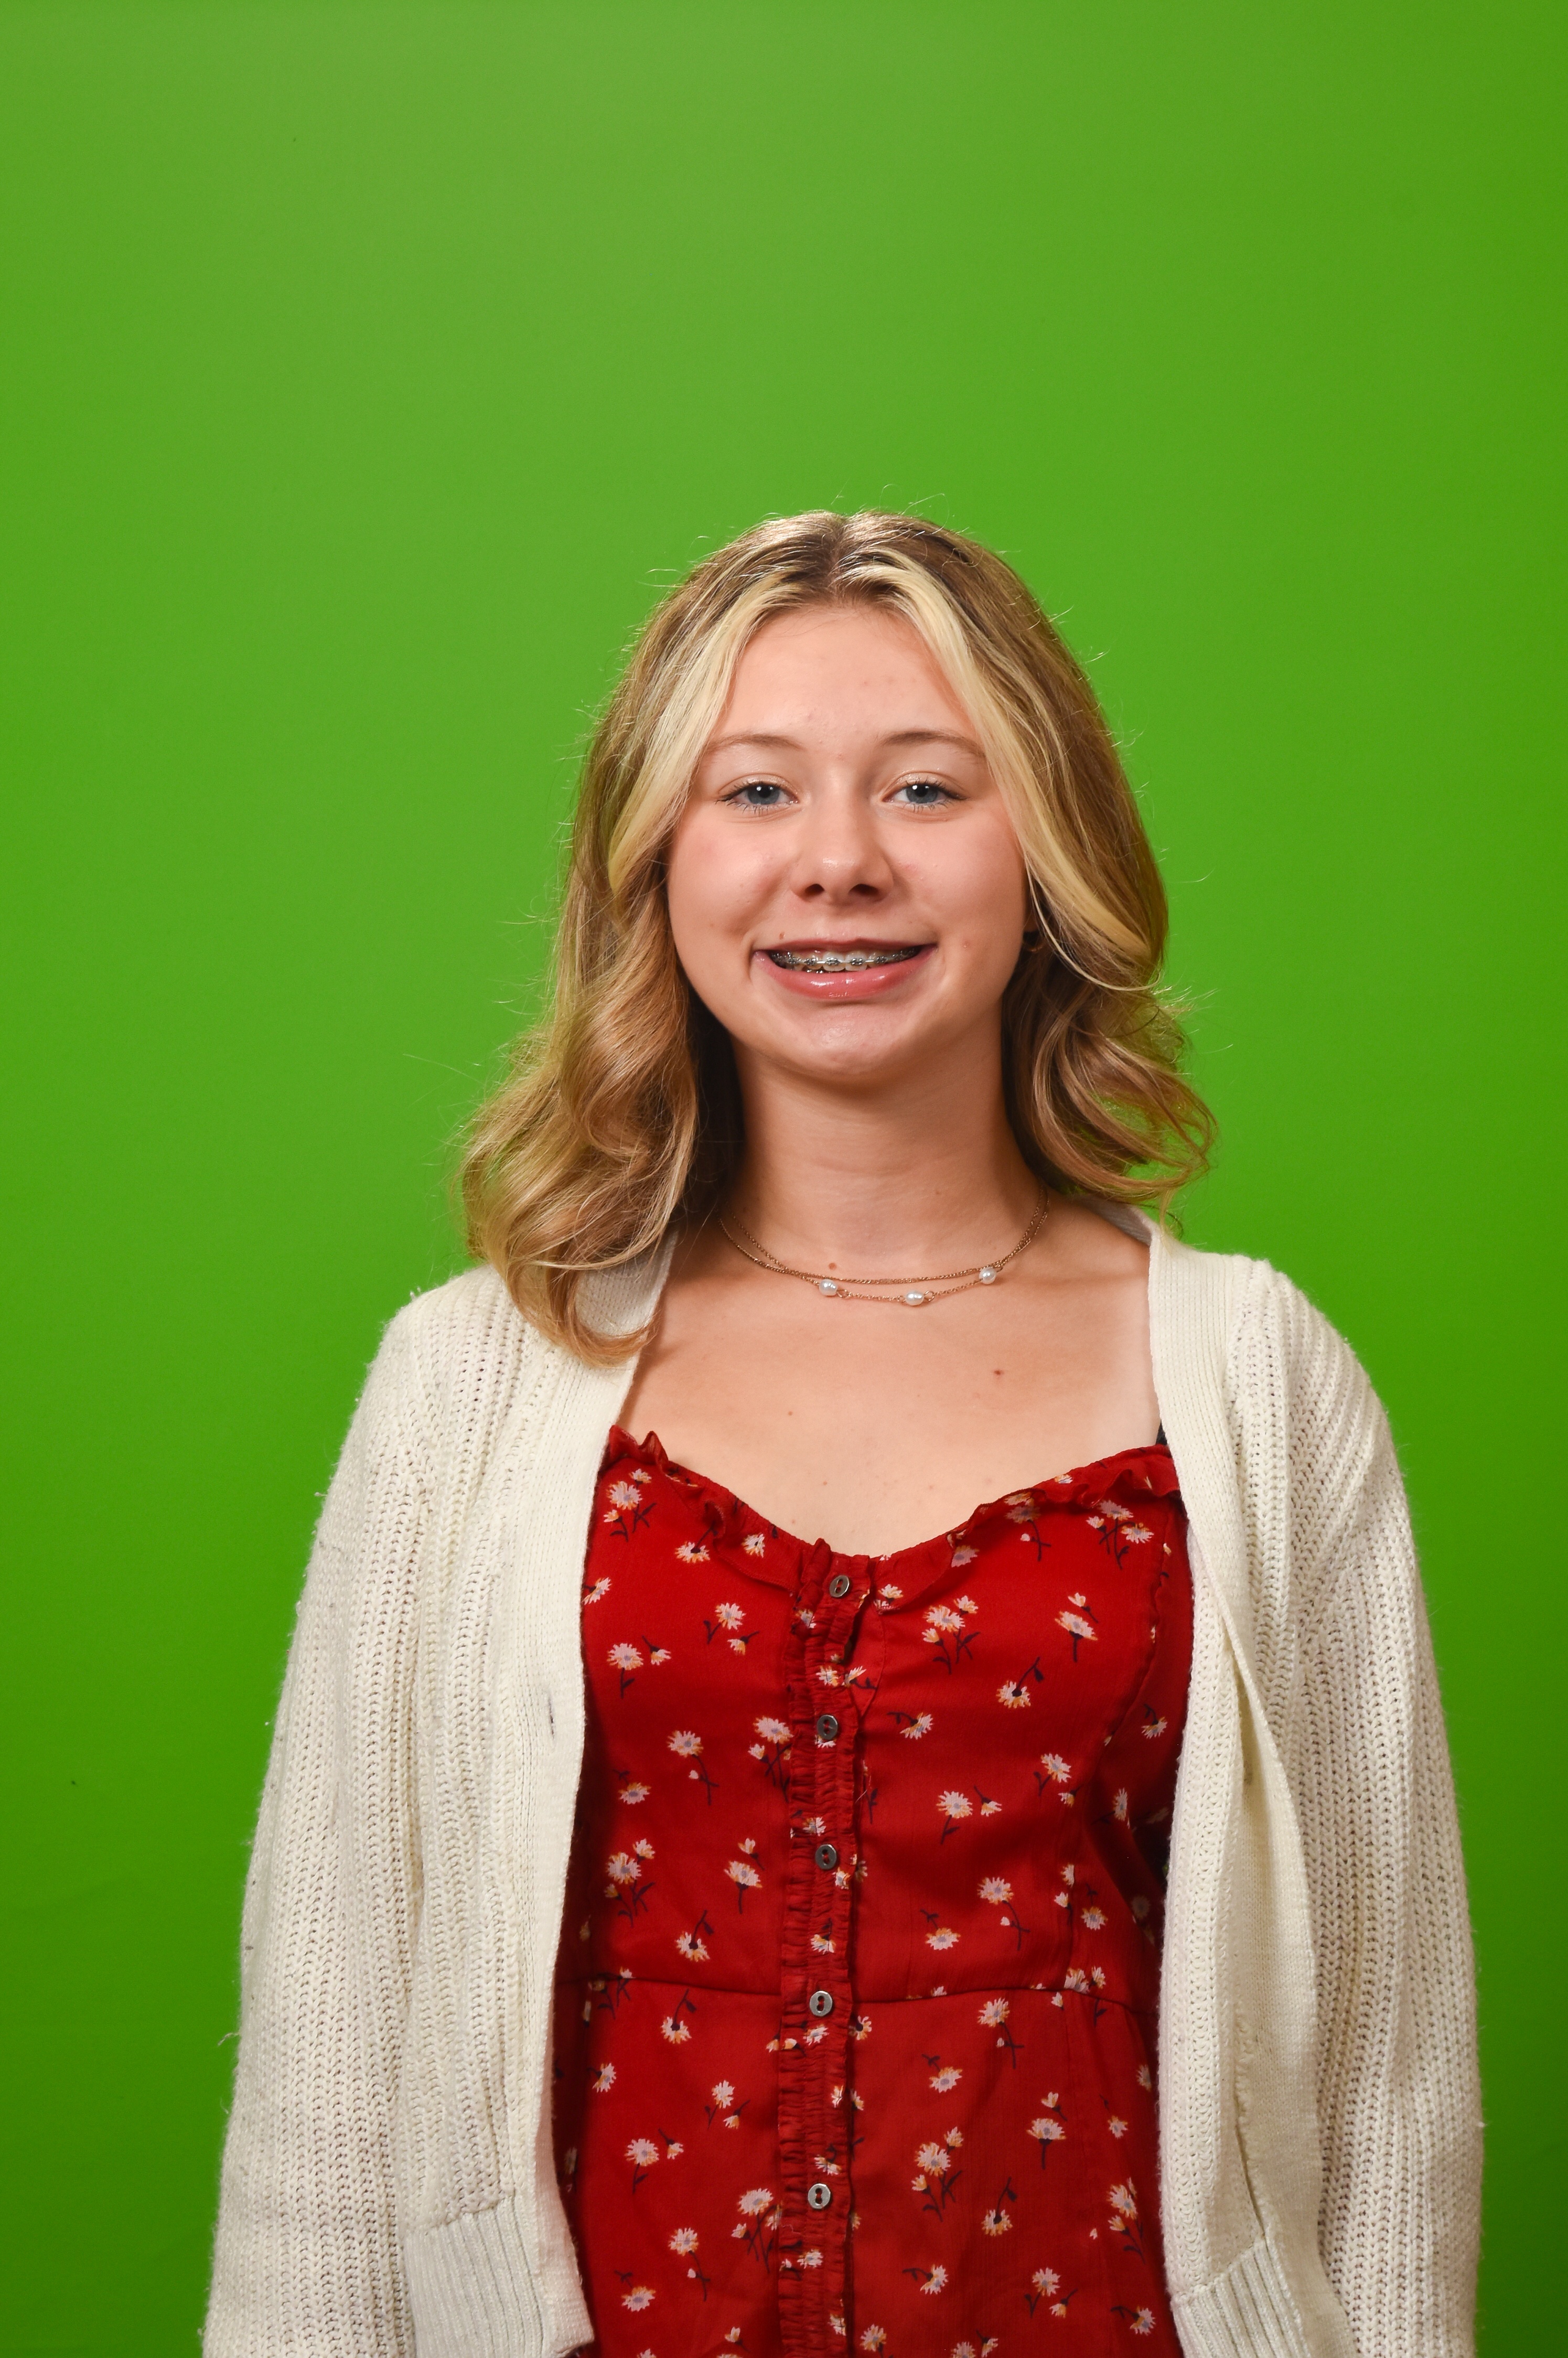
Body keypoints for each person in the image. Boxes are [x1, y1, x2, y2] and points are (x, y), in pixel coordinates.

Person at [203, 512, 1480, 2358]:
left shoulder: (1265, 1383)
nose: (839, 862)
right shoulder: (468, 1384)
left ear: (1049, 851)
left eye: (927, 787)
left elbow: (1388, 2070)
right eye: (756, 791)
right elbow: (326, 2062)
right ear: (656, 863)